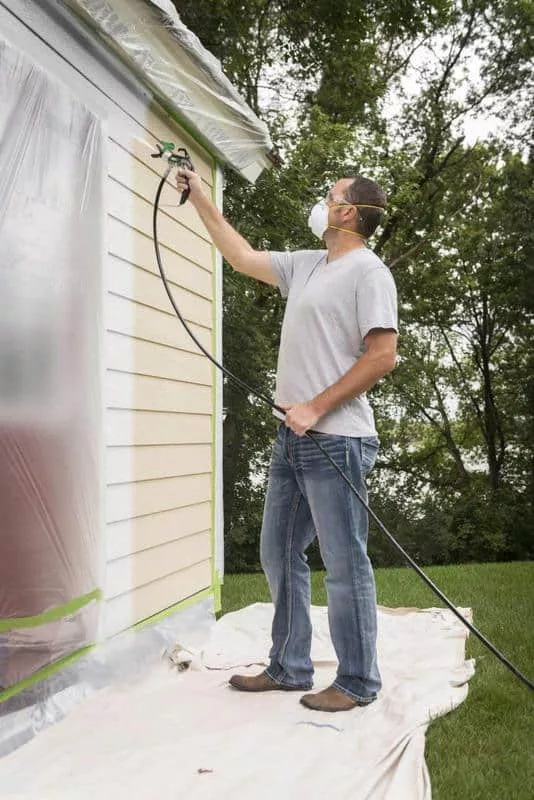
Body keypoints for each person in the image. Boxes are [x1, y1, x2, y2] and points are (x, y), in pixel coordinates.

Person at [176, 167, 398, 712]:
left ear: (348, 214)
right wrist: (201, 196)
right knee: (277, 551)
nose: (322, 203)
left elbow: (382, 355)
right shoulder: (306, 266)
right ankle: (291, 667)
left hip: (337, 440)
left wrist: (317, 407)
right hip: (293, 437)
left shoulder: (369, 273)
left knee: (344, 564)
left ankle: (357, 682)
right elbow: (240, 256)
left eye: (331, 197)